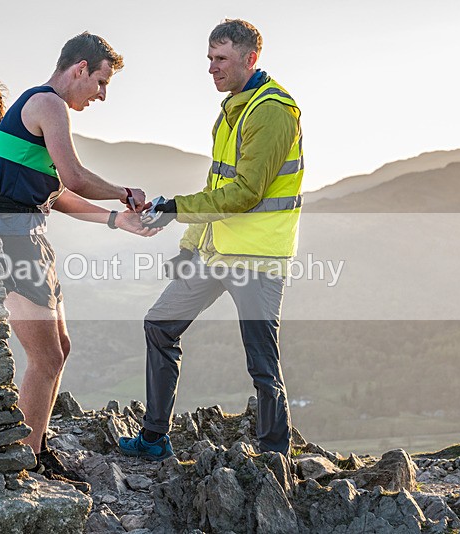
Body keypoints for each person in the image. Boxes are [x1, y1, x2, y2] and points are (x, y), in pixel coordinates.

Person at [119, 19, 304, 460]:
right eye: (209, 58)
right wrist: (189, 245)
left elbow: (245, 193)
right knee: (159, 325)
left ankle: (274, 457)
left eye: (221, 58)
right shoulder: (232, 110)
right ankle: (154, 439)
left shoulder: (272, 111)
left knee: (262, 362)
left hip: (258, 259)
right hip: (214, 252)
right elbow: (216, 184)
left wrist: (174, 208)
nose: (211, 68)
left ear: (250, 58)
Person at [0, 32, 157, 490]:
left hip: (30, 236)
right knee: (44, 357)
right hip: (14, 240)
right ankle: (25, 461)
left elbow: (59, 193)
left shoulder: (42, 108)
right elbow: (76, 177)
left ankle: (35, 446)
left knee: (60, 349)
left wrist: (116, 220)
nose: (101, 95)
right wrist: (125, 193)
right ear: (80, 68)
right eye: (101, 82)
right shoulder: (48, 104)